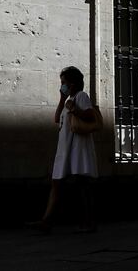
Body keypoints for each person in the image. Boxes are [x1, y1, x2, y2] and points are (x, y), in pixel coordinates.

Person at [28, 66, 98, 233]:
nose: (62, 86)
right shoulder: (68, 99)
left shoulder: (81, 96)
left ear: (73, 83)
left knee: (82, 184)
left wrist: (74, 108)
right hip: (65, 147)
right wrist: (62, 99)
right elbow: (56, 117)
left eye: (64, 83)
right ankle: (47, 221)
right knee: (57, 183)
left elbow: (90, 116)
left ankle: (87, 223)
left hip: (77, 147)